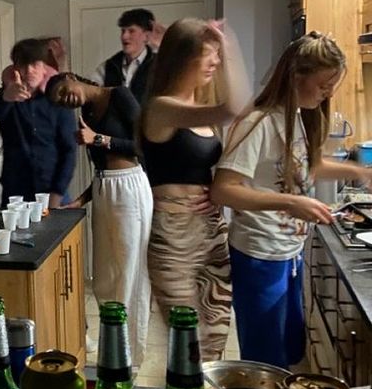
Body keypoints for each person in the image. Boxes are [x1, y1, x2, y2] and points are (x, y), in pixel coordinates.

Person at [211, 32, 370, 369]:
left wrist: (362, 171)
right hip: (259, 255)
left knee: (289, 354)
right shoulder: (259, 122)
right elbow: (224, 189)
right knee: (265, 362)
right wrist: (288, 203)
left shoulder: (296, 115)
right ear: (296, 76)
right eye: (324, 84)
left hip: (287, 253)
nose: (329, 93)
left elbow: (310, 165)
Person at [140, 19, 250, 361]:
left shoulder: (198, 111)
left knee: (214, 340)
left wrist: (217, 190)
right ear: (182, 58)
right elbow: (236, 108)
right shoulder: (161, 108)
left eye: (218, 54)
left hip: (211, 234)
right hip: (174, 240)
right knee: (187, 347)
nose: (215, 62)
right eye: (209, 54)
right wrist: (228, 44)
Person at [46, 71, 151, 370]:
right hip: (105, 188)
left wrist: (100, 139)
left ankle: (131, 353)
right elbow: (101, 167)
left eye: (64, 92)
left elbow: (144, 145)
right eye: (61, 103)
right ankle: (112, 346)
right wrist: (81, 200)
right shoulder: (87, 112)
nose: (67, 101)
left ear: (70, 77)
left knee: (130, 273)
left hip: (130, 187)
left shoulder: (119, 95)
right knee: (103, 276)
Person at [0, 38, 77, 207]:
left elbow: (69, 150)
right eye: (23, 65)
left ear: (43, 66)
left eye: (35, 64)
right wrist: (7, 96)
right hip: (15, 191)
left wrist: (57, 194)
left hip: (52, 188)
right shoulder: (8, 94)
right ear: (16, 68)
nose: (29, 71)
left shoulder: (57, 98)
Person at [91, 7, 160, 104]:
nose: (124, 36)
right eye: (123, 31)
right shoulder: (108, 66)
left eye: (131, 31)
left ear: (146, 36)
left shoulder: (159, 64)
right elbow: (90, 92)